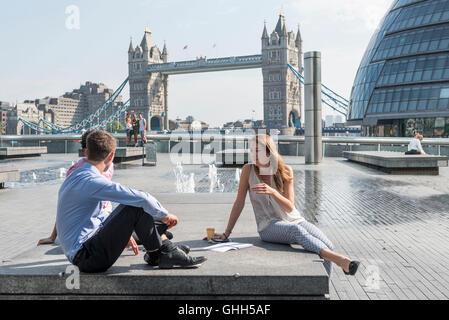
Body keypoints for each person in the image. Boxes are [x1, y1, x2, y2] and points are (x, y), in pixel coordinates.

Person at [56, 130, 206, 272]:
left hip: (87, 248)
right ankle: (163, 253)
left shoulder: (77, 174)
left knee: (155, 223)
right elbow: (141, 198)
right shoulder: (91, 181)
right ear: (111, 156)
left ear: (87, 151)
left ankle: (160, 251)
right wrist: (165, 215)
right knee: (136, 207)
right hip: (87, 257)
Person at [212, 134, 360, 276]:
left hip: (294, 219)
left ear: (269, 152)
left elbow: (290, 207)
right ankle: (342, 261)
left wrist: (273, 192)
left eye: (257, 151)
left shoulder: (285, 170)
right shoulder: (247, 170)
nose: (253, 155)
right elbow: (239, 203)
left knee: (328, 245)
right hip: (268, 226)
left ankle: (326, 287)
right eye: (251, 151)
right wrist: (226, 233)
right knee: (296, 231)